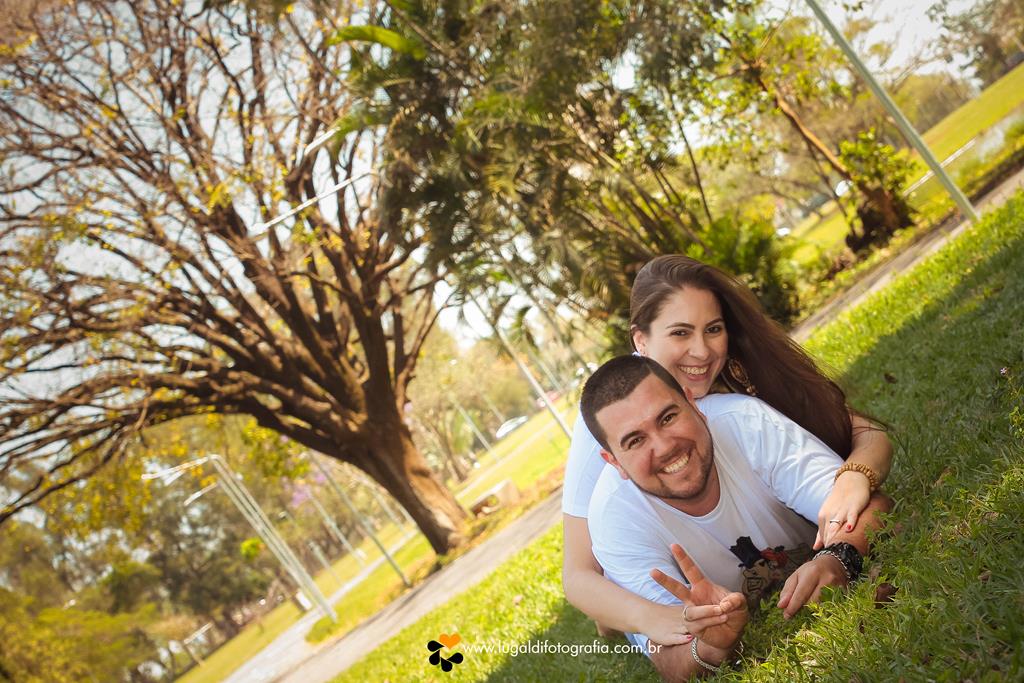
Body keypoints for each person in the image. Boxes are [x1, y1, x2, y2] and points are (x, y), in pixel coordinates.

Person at [562, 255, 892, 645]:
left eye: (713, 329)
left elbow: (868, 434)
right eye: (680, 334)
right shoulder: (609, 417)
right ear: (641, 341)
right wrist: (652, 617)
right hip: (644, 549)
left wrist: (855, 475)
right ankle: (609, 624)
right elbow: (578, 575)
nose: (701, 352)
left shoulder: (737, 377)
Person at [581, 355, 892, 680]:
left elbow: (870, 505)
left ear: (693, 403)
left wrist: (837, 558)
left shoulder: (745, 422)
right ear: (614, 462)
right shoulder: (614, 517)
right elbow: (668, 658)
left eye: (668, 417)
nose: (664, 447)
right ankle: (609, 617)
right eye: (635, 441)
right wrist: (709, 648)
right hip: (631, 559)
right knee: (622, 619)